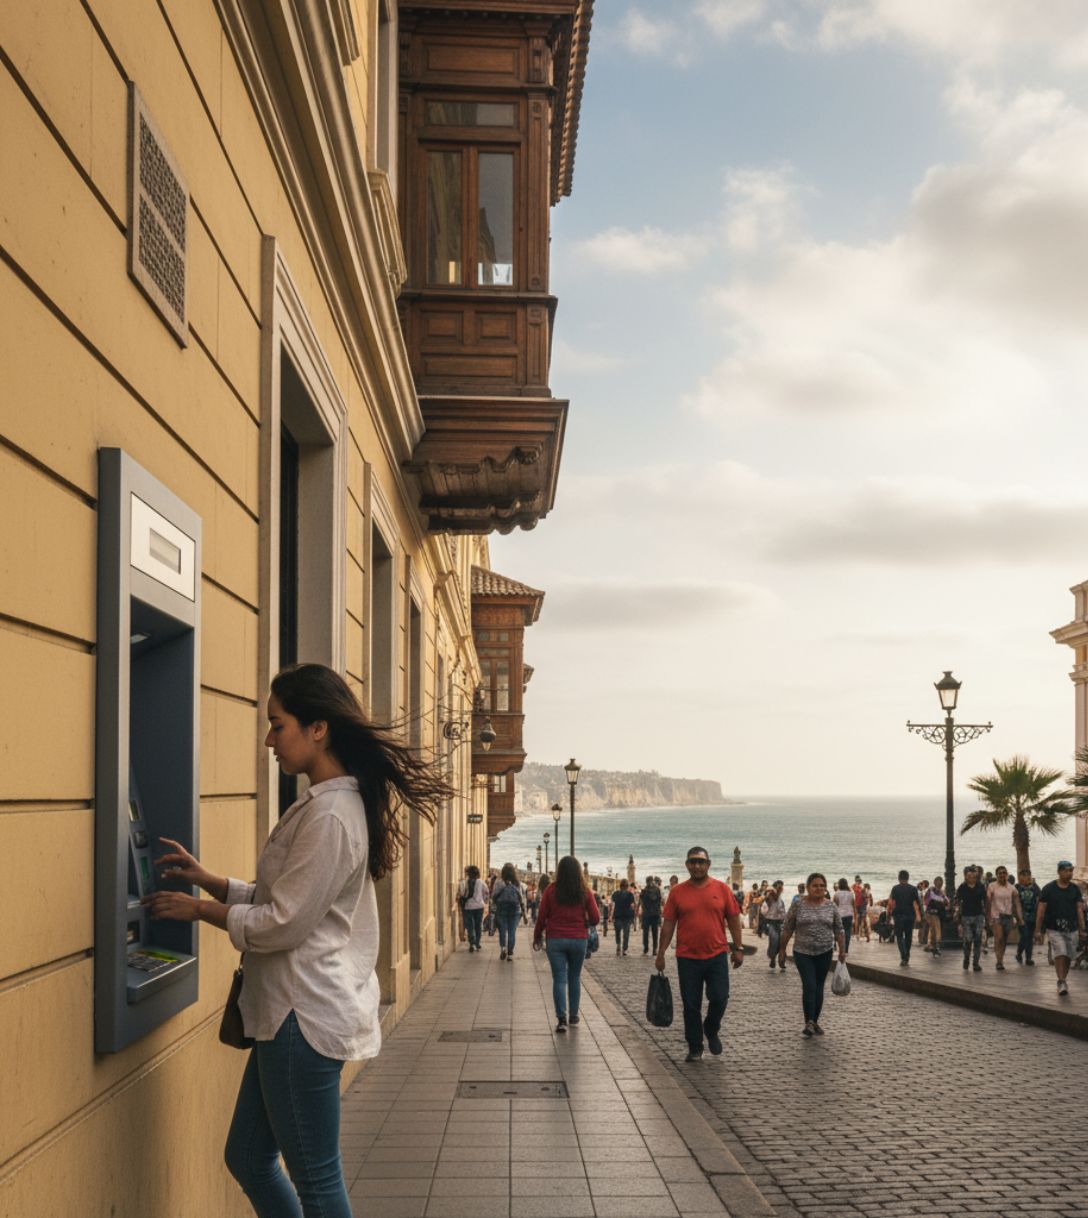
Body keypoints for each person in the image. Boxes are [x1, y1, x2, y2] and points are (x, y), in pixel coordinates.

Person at [145, 662, 449, 1218]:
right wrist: (210, 881)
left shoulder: (331, 814)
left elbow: (283, 922)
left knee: (317, 1180)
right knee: (248, 1157)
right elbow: (282, 896)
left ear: (318, 728)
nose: (268, 740)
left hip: (299, 1019)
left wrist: (198, 910)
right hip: (288, 1014)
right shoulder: (324, 804)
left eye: (277, 724)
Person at [654, 847, 744, 1063]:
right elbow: (668, 924)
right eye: (692, 862)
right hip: (687, 958)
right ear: (687, 865)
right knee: (691, 1004)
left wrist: (738, 948)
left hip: (717, 956)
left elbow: (733, 919)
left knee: (720, 998)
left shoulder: (721, 889)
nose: (696, 866)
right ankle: (695, 1046)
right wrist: (661, 953)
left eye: (700, 862)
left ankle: (711, 1029)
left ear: (708, 864)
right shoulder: (677, 892)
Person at [533, 855, 600, 1031]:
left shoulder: (550, 890)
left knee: (559, 978)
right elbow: (596, 917)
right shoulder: (584, 891)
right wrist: (584, 920)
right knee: (575, 977)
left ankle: (561, 1018)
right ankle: (574, 1016)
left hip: (555, 939)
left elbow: (541, 916)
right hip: (578, 939)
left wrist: (537, 935)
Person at [778, 873, 846, 1037]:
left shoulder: (831, 906)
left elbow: (839, 929)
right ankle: (808, 1021)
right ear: (808, 888)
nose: (819, 888)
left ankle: (814, 1022)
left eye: (822, 886)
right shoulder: (798, 905)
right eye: (815, 885)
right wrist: (781, 950)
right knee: (809, 985)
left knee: (818, 986)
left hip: (825, 951)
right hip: (803, 952)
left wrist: (842, 950)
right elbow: (787, 927)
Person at [1034, 860, 1087, 997]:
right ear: (1059, 872)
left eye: (1071, 870)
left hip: (1072, 928)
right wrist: (1038, 930)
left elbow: (1079, 909)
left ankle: (1063, 979)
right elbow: (1041, 910)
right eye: (1066, 870)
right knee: (1060, 952)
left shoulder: (1074, 889)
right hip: (1054, 928)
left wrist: (1082, 929)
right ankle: (1061, 981)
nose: (1069, 873)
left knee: (1069, 956)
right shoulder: (1049, 889)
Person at [987, 866, 1023, 971]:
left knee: (1004, 940)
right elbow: (988, 902)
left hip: (1007, 916)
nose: (1002, 875)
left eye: (1004, 873)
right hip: (996, 915)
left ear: (1006, 874)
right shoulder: (992, 886)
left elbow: (1017, 903)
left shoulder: (1012, 888)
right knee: (999, 938)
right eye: (999, 873)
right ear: (996, 875)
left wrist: (1020, 918)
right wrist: (988, 916)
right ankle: (999, 961)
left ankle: (1001, 959)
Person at [491, 862, 527, 961]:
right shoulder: (517, 883)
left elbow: (493, 895)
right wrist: (524, 912)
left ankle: (503, 948)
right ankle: (510, 953)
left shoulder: (499, 882)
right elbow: (521, 898)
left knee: (502, 929)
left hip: (501, 908)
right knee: (512, 931)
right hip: (515, 909)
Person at [955, 866, 987, 971]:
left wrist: (986, 913)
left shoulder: (981, 886)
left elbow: (985, 901)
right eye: (969, 876)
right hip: (966, 916)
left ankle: (975, 963)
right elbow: (958, 902)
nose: (972, 878)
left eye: (974, 876)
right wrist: (957, 914)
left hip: (978, 916)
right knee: (968, 940)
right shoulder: (962, 887)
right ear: (965, 876)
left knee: (978, 940)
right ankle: (966, 959)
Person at [888, 870, 922, 965]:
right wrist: (919, 915)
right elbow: (917, 903)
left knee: (899, 936)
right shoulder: (913, 889)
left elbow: (891, 903)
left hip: (898, 915)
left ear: (899, 878)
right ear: (908, 878)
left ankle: (903, 956)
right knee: (908, 936)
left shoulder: (895, 888)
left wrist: (888, 915)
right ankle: (907, 955)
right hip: (910, 915)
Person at [1015, 868, 1041, 965]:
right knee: (1025, 936)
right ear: (1020, 877)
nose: (1026, 878)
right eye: (1023, 876)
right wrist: (1016, 917)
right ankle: (1022, 954)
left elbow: (1040, 900)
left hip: (1033, 916)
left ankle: (1026, 957)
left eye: (1027, 876)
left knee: (1029, 937)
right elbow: (1014, 903)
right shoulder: (1017, 887)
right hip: (1021, 916)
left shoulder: (1035, 887)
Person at [760, 885, 787, 970]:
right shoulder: (767, 901)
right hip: (772, 924)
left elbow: (784, 912)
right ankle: (773, 959)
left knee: (782, 943)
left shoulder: (780, 901)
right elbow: (763, 912)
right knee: (774, 942)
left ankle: (782, 961)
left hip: (781, 924)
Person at [923, 876, 949, 956]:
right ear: (934, 882)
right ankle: (936, 946)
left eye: (941, 882)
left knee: (933, 929)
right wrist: (943, 900)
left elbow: (947, 900)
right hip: (932, 913)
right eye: (938, 882)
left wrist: (945, 900)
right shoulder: (931, 890)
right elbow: (933, 898)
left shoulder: (941, 891)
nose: (940, 884)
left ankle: (931, 945)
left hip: (936, 913)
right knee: (936, 929)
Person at [610, 878, 637, 956]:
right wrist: (633, 916)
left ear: (620, 886)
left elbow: (612, 905)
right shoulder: (630, 894)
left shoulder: (615, 894)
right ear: (627, 886)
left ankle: (618, 945)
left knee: (618, 932)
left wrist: (611, 916)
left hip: (618, 915)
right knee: (626, 934)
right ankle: (624, 949)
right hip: (627, 916)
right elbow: (632, 906)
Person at [639, 876, 663, 955]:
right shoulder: (657, 890)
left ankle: (646, 948)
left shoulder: (644, 890)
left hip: (646, 914)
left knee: (646, 933)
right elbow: (659, 902)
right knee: (655, 933)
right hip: (654, 914)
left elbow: (642, 902)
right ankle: (654, 949)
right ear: (652, 881)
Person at [832, 879, 855, 955]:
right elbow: (853, 905)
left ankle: (840, 948)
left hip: (840, 915)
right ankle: (846, 950)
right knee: (848, 932)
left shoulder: (837, 893)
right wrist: (855, 916)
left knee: (839, 932)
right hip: (849, 915)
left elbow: (835, 905)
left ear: (839, 884)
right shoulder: (851, 893)